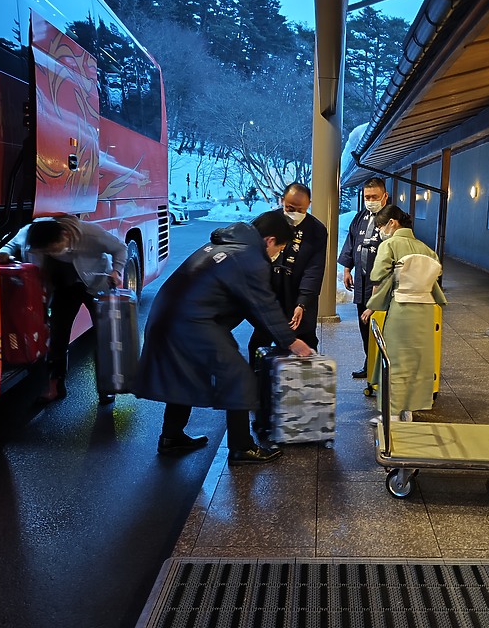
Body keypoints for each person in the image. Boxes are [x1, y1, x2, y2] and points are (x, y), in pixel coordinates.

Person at [134, 211, 314, 464]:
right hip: (192, 323)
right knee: (237, 376)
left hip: (168, 317)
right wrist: (292, 341)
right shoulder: (249, 258)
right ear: (269, 241)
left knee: (184, 375)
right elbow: (263, 304)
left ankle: (171, 437)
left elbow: (250, 305)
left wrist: (276, 334)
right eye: (280, 248)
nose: (278, 255)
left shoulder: (226, 245)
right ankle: (242, 447)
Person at [0, 215, 128, 404]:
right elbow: (11, 245)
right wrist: (4, 253)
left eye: (54, 249)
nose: (51, 253)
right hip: (63, 288)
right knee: (57, 337)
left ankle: (107, 387)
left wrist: (116, 271)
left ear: (65, 235)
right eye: (47, 251)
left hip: (96, 284)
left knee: (104, 337)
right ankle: (55, 387)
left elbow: (120, 248)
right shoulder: (33, 233)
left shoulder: (90, 234)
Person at [361, 205, 447, 422]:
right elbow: (437, 276)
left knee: (395, 360)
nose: (380, 230)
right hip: (425, 310)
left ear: (392, 223)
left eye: (381, 226)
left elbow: (378, 274)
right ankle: (408, 409)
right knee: (418, 361)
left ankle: (392, 413)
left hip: (402, 308)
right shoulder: (426, 249)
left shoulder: (390, 244)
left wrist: (373, 305)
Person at [248, 182, 328, 362]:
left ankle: (304, 386)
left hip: (298, 295)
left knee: (305, 344)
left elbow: (314, 269)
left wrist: (303, 303)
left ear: (309, 205)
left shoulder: (317, 230)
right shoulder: (269, 220)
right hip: (270, 293)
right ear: (282, 200)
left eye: (301, 210)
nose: (295, 213)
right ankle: (260, 384)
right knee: (260, 343)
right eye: (290, 207)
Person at [337, 177, 389, 378]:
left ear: (384, 196)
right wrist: (347, 269)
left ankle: (382, 367)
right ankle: (370, 362)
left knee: (381, 326)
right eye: (367, 197)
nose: (370, 200)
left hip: (382, 283)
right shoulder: (360, 217)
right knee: (364, 325)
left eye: (374, 196)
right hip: (362, 280)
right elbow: (351, 241)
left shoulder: (393, 217)